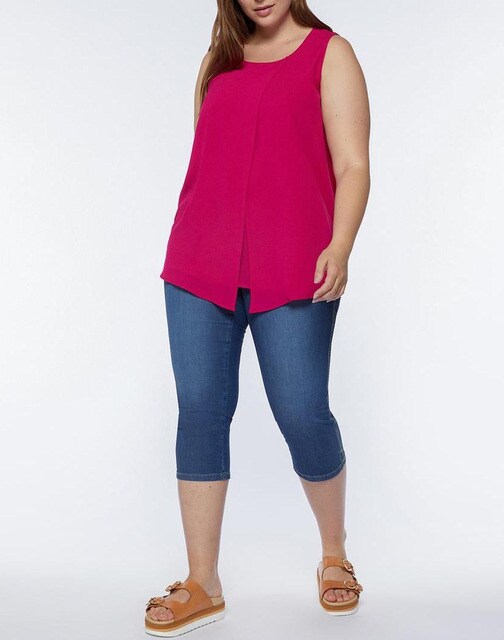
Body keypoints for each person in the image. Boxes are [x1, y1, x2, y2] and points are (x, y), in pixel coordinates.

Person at [144, 1, 370, 636]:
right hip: (199, 259)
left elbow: (353, 165)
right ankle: (203, 583)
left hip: (295, 260)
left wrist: (340, 245)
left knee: (302, 410)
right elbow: (209, 162)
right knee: (200, 411)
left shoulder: (331, 54)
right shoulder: (217, 61)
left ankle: (334, 553)